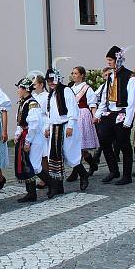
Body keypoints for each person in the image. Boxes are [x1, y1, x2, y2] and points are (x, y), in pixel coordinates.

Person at [94, 46, 135, 185]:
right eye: (107, 60)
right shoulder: (111, 76)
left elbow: (131, 101)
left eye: (110, 60)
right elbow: (105, 97)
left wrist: (128, 120)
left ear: (118, 59)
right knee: (104, 140)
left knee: (124, 144)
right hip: (110, 113)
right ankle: (114, 170)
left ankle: (127, 175)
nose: (108, 62)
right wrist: (98, 114)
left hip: (122, 113)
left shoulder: (129, 76)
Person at [43, 67, 89, 195]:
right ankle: (57, 186)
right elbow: (49, 113)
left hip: (65, 126)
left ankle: (83, 174)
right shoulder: (51, 94)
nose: (51, 83)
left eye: (52, 80)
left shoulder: (66, 90)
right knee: (54, 156)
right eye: (48, 81)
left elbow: (73, 108)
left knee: (70, 154)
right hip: (55, 127)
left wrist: (71, 125)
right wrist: (47, 127)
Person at [13, 75, 47, 202]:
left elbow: (33, 125)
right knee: (28, 164)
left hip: (34, 137)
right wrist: (18, 134)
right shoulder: (24, 102)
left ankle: (52, 185)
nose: (18, 90)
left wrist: (28, 141)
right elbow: (20, 122)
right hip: (26, 136)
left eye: (20, 88)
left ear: (26, 89)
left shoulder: (32, 103)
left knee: (33, 165)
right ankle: (31, 193)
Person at [67, 66, 99, 180]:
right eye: (73, 73)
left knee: (80, 145)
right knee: (78, 146)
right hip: (73, 116)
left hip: (83, 115)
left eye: (76, 73)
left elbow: (92, 103)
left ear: (82, 75)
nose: (74, 75)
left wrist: (94, 116)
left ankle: (76, 172)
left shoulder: (87, 88)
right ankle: (92, 164)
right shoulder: (70, 87)